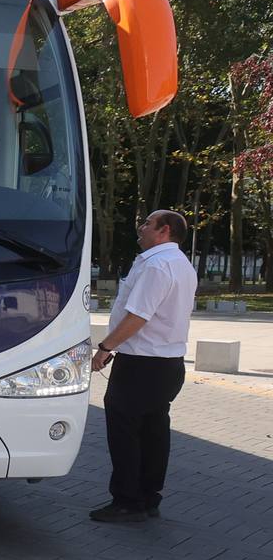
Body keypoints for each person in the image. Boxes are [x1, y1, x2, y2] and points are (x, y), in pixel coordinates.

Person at [88, 210, 197, 523]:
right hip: (168, 363)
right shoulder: (182, 265)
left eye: (147, 223)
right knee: (154, 431)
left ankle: (126, 501)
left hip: (141, 363)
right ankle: (149, 497)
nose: (141, 227)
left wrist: (106, 347)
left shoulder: (157, 265)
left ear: (164, 231)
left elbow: (138, 316)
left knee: (125, 432)